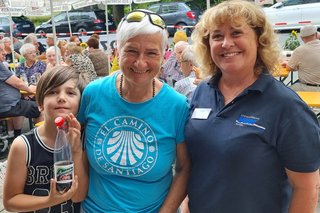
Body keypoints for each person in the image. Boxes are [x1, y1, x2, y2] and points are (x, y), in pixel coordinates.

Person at [184, 1, 320, 212]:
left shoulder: (286, 107)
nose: (226, 43)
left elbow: (306, 187)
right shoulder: (203, 92)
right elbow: (195, 162)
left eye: (236, 33)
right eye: (217, 36)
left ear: (259, 40)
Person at [77, 9, 190, 212]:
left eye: (151, 53)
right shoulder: (93, 94)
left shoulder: (177, 105)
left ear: (164, 55)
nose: (140, 62)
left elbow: (184, 168)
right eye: (131, 51)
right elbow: (73, 143)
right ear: (117, 51)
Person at [3, 65, 89, 212]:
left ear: (80, 104)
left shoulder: (84, 140)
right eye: (53, 92)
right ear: (40, 103)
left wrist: (76, 151)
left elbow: (78, 196)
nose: (61, 97)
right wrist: (49, 200)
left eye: (70, 93)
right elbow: (10, 201)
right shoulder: (23, 146)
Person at [0, 42, 41, 138]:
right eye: (1, 50)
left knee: (22, 104)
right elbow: (18, 83)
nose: (5, 52)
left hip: (9, 104)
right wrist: (30, 89)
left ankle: (17, 135)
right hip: (7, 106)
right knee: (40, 108)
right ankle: (38, 139)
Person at [282, 24, 320, 91]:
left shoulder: (300, 50)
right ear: (317, 35)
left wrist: (286, 63)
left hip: (308, 88)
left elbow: (289, 68)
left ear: (302, 38)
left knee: (284, 92)